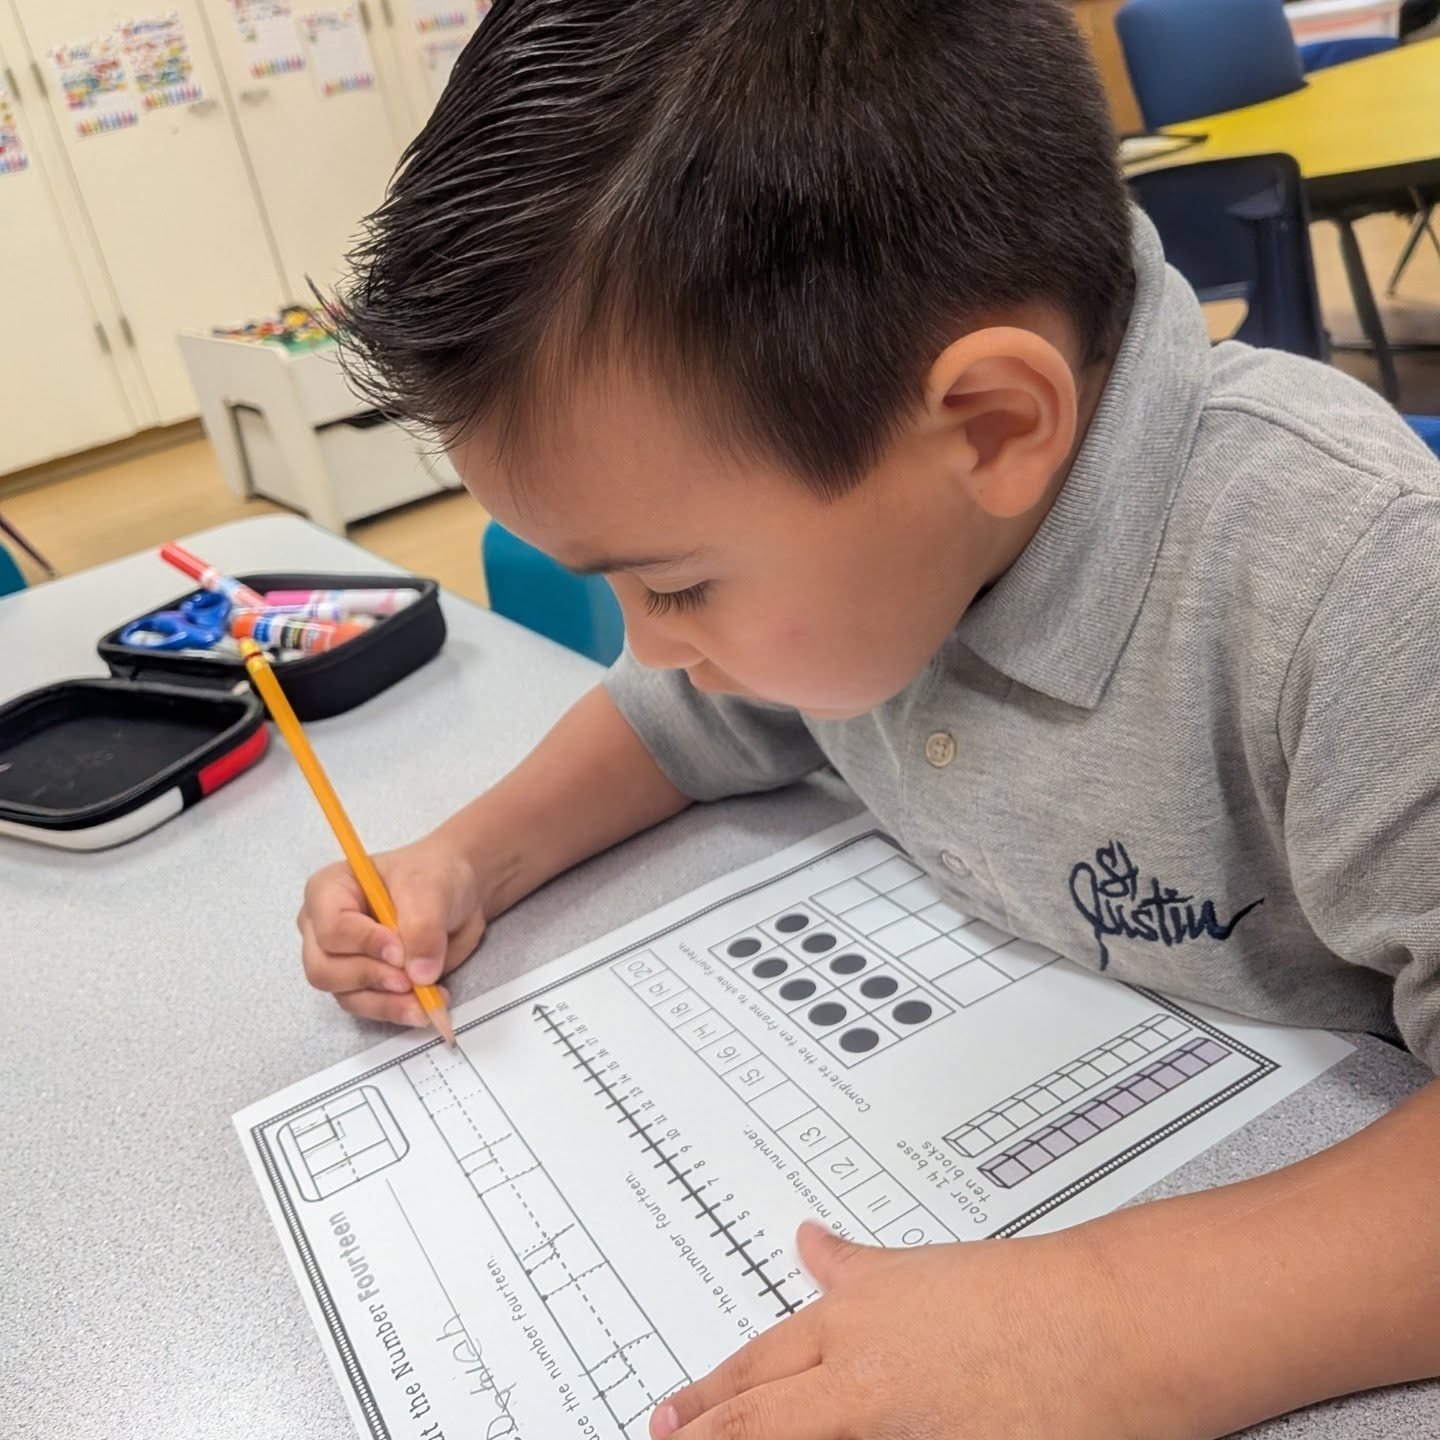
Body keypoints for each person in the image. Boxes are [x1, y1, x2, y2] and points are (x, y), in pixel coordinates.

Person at [299, 2, 1440, 1434]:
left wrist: (1098, 1328)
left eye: (678, 584)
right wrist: (467, 858)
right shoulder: (891, 547)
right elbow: (668, 722)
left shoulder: (1358, 593)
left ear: (991, 429)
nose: (651, 641)